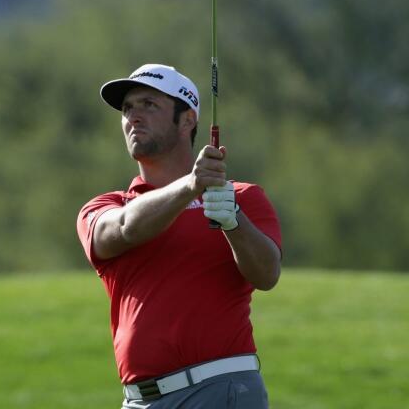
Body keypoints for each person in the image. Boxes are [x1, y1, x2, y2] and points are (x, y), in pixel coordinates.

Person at [76, 63, 282, 408]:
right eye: (127, 109)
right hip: (140, 400)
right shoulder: (107, 206)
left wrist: (233, 221)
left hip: (221, 387)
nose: (133, 117)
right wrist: (191, 187)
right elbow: (121, 229)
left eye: (149, 105)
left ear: (187, 120)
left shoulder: (241, 198)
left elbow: (267, 274)